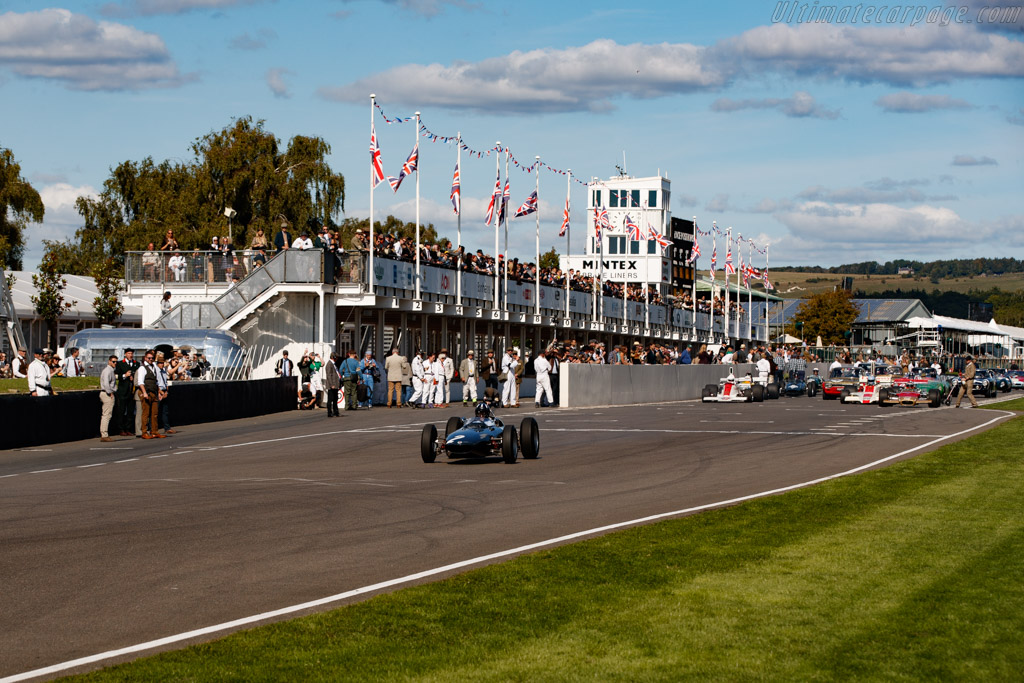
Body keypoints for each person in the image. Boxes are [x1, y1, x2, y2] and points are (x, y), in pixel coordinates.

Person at [135, 349, 162, 439]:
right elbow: (140, 382)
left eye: (152, 358)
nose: (151, 359)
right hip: (146, 392)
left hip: (153, 392)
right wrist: (144, 393)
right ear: (145, 358)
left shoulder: (153, 367)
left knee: (154, 413)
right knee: (145, 413)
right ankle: (144, 432)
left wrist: (159, 391)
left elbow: (156, 381)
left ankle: (154, 431)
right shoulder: (142, 368)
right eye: (149, 358)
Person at [114, 348, 139, 436]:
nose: (130, 355)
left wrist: (133, 376)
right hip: (123, 390)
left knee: (131, 411)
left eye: (131, 353)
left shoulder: (136, 363)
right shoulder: (120, 363)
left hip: (132, 391)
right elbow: (116, 375)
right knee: (121, 410)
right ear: (125, 354)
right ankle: (121, 429)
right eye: (128, 353)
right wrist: (125, 375)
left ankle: (128, 428)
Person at [97, 355, 117, 442]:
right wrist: (110, 392)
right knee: (106, 414)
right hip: (106, 393)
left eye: (116, 362)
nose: (115, 363)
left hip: (107, 393)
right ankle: (104, 434)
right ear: (109, 361)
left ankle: (104, 433)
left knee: (107, 414)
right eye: (113, 361)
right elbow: (106, 383)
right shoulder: (107, 371)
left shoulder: (110, 370)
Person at [155, 352, 175, 435]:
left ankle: (167, 427)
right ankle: (153, 428)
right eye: (160, 363)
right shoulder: (155, 370)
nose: (161, 365)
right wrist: (159, 391)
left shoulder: (163, 371)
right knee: (155, 411)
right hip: (158, 391)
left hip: (164, 390)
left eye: (162, 363)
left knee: (165, 411)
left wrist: (166, 391)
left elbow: (165, 382)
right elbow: (155, 382)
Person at [324, 352, 341, 417]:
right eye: (336, 357)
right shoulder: (329, 364)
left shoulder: (333, 364)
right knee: (330, 399)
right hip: (332, 385)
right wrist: (331, 384)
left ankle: (335, 411)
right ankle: (329, 412)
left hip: (335, 384)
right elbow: (329, 375)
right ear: (333, 357)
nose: (337, 359)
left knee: (335, 399)